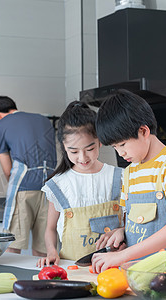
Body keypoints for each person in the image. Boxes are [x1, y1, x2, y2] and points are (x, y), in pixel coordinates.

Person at [92, 89, 166, 273]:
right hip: (138, 275)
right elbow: (135, 224)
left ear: (143, 131)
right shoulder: (129, 172)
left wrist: (121, 256)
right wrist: (122, 233)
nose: (120, 153)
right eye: (115, 147)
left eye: (123, 144)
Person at [36, 101, 123, 267]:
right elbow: (50, 229)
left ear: (100, 141)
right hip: (71, 268)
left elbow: (130, 223)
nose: (82, 158)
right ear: (64, 147)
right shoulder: (58, 184)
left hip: (113, 269)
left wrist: (122, 231)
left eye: (89, 149)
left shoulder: (119, 177)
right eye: (74, 151)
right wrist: (51, 251)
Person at [0, 96, 57, 256]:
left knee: (12, 245)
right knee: (44, 247)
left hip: (23, 188)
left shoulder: (0, 127)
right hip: (50, 189)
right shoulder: (45, 121)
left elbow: (7, 169)